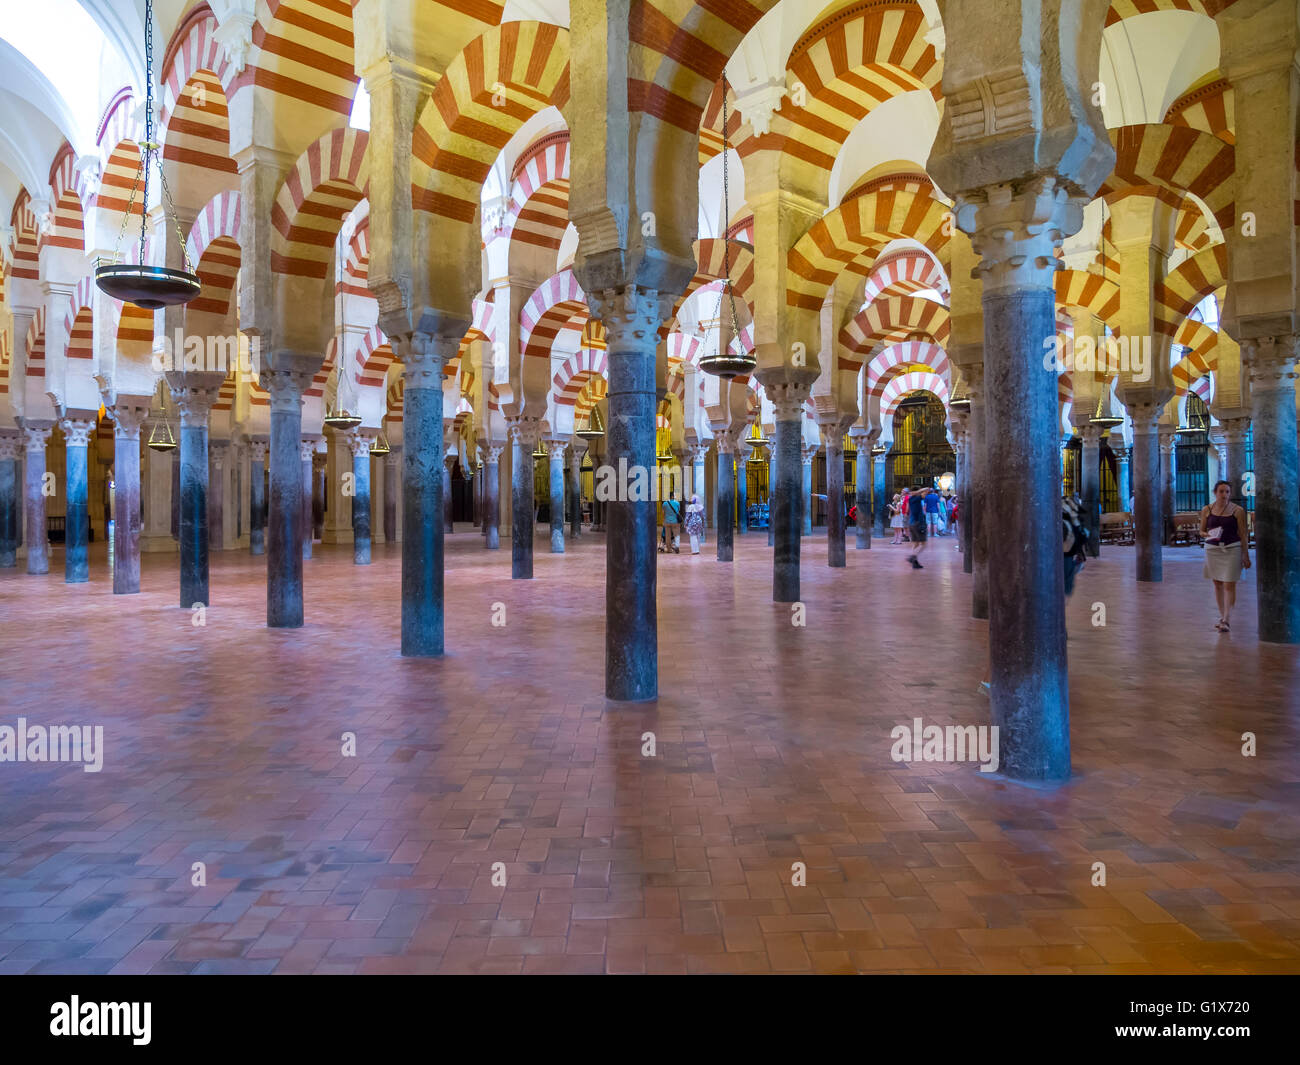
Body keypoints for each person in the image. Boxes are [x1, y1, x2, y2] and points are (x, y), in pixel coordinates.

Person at [1200, 479, 1250, 632]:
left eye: (1227, 492)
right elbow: (1201, 531)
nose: (1224, 495)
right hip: (1213, 549)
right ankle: (1222, 617)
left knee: (1229, 583)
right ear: (1215, 493)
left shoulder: (1237, 511)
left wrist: (1245, 555)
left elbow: (1243, 533)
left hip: (1232, 548)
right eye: (1221, 491)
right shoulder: (1207, 509)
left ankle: (1227, 618)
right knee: (1217, 583)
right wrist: (1208, 534)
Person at [906, 486, 930, 568]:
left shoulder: (910, 499)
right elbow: (926, 490)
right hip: (918, 523)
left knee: (916, 543)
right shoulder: (916, 498)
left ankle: (915, 562)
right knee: (924, 544)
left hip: (911, 523)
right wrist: (920, 491)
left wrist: (917, 492)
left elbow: (925, 492)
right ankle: (913, 557)